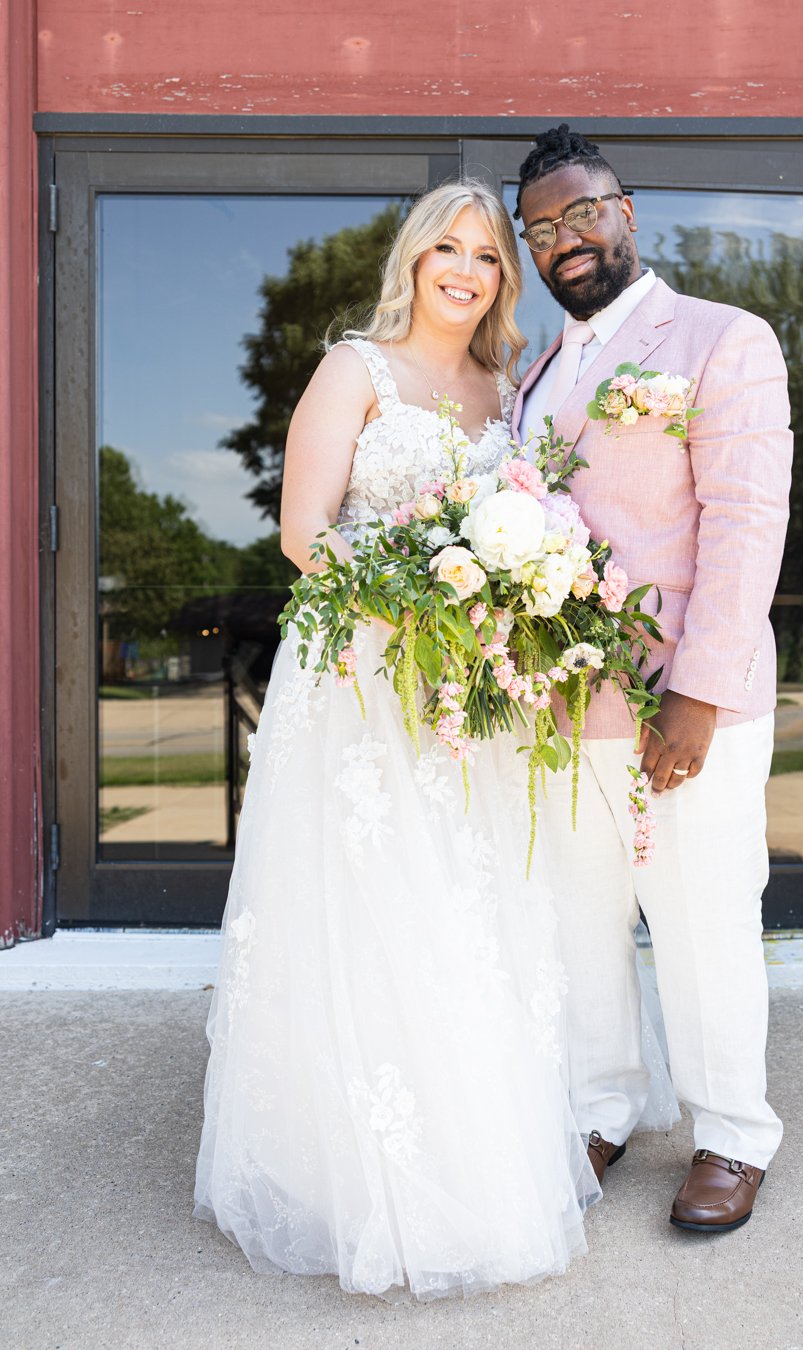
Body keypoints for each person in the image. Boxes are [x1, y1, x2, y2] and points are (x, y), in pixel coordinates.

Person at [194, 180, 600, 1300]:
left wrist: (502, 605)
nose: (465, 270)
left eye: (487, 255)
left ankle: (477, 1166)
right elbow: (304, 533)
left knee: (466, 910)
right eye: (447, 250)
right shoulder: (354, 370)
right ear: (414, 263)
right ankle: (349, 1183)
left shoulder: (505, 388)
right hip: (363, 682)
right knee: (369, 906)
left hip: (467, 690)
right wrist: (410, 608)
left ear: (502, 280)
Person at [513, 126, 793, 1233]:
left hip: (682, 701)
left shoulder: (723, 338)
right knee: (581, 920)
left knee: (702, 919)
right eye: (541, 227)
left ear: (626, 212)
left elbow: (745, 522)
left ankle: (732, 1134)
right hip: (562, 704)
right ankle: (604, 1105)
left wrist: (698, 693)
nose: (565, 238)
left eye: (583, 212)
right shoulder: (539, 370)